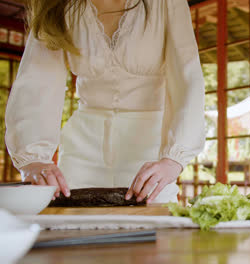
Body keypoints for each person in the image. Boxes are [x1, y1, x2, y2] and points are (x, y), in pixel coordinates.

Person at [5, 0, 205, 203]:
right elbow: (37, 81)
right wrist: (33, 159)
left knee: (154, 230)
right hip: (81, 153)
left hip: (150, 156)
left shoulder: (166, 3)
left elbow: (188, 77)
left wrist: (173, 159)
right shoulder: (57, 6)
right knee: (73, 229)